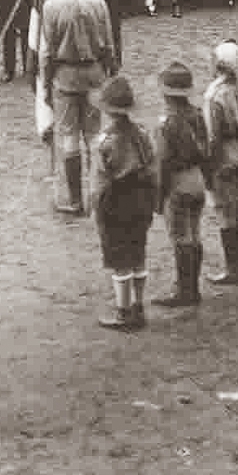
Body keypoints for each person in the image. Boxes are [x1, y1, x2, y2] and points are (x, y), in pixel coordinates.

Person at [41, 0, 114, 216]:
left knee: (69, 137)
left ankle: (75, 201)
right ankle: (97, 198)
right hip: (94, 73)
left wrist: (45, 81)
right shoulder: (98, 2)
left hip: (65, 75)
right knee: (94, 136)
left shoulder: (51, 5)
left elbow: (48, 50)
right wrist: (108, 73)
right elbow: (109, 44)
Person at [91, 77, 158, 331]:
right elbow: (153, 168)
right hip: (141, 199)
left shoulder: (104, 141)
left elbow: (100, 182)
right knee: (138, 254)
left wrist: (98, 208)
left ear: (107, 110)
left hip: (116, 202)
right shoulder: (142, 134)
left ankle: (123, 312)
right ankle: (139, 306)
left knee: (119, 259)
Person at [151, 63, 208, 310]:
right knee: (194, 234)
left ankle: (185, 291)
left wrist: (158, 195)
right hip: (197, 179)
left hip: (178, 183)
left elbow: (162, 162)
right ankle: (192, 287)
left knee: (181, 238)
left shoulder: (166, 124)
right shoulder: (197, 115)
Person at [201, 41, 238, 287]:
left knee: (225, 212)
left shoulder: (215, 94)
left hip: (224, 155)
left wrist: (208, 167)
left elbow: (212, 136)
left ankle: (234, 269)